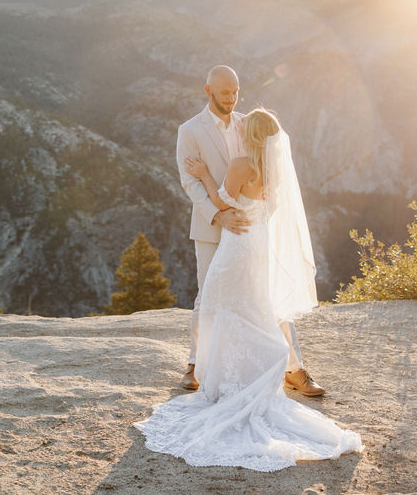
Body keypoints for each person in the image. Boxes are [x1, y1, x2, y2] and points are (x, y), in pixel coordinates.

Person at [134, 108, 362, 470]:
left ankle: (223, 383)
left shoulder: (241, 164)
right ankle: (251, 375)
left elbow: (222, 201)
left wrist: (205, 174)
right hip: (258, 243)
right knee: (254, 307)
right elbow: (267, 211)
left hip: (236, 246)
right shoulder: (273, 171)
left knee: (219, 305)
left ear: (251, 135)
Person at [173, 65, 324, 396]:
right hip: (212, 226)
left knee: (265, 295)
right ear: (207, 91)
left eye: (235, 92)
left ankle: (294, 368)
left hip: (250, 230)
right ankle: (197, 365)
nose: (231, 98)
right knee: (207, 295)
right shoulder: (190, 130)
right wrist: (219, 215)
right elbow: (190, 182)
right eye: (225, 92)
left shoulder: (249, 123)